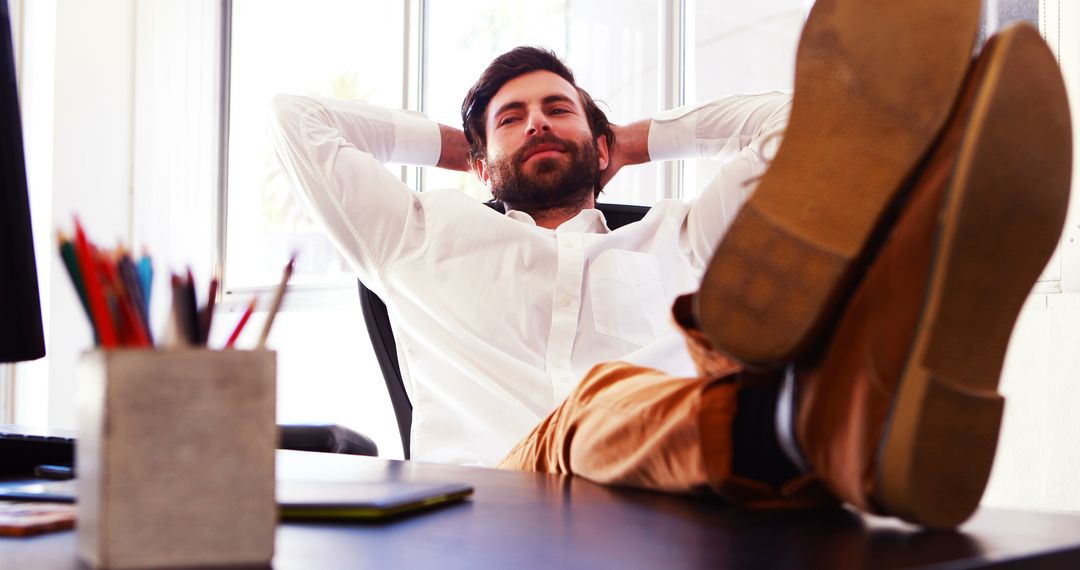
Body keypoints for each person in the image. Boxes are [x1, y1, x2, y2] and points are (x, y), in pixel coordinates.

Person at [275, 0, 1071, 528]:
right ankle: (827, 419)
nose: (539, 124)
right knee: (598, 401)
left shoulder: (678, 234)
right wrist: (461, 151)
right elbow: (298, 121)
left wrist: (644, 138)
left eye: (560, 110)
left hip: (688, 492)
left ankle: (838, 384)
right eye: (511, 119)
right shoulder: (413, 236)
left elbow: (811, 132)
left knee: (740, 326)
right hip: (499, 499)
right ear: (481, 157)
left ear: (601, 141)